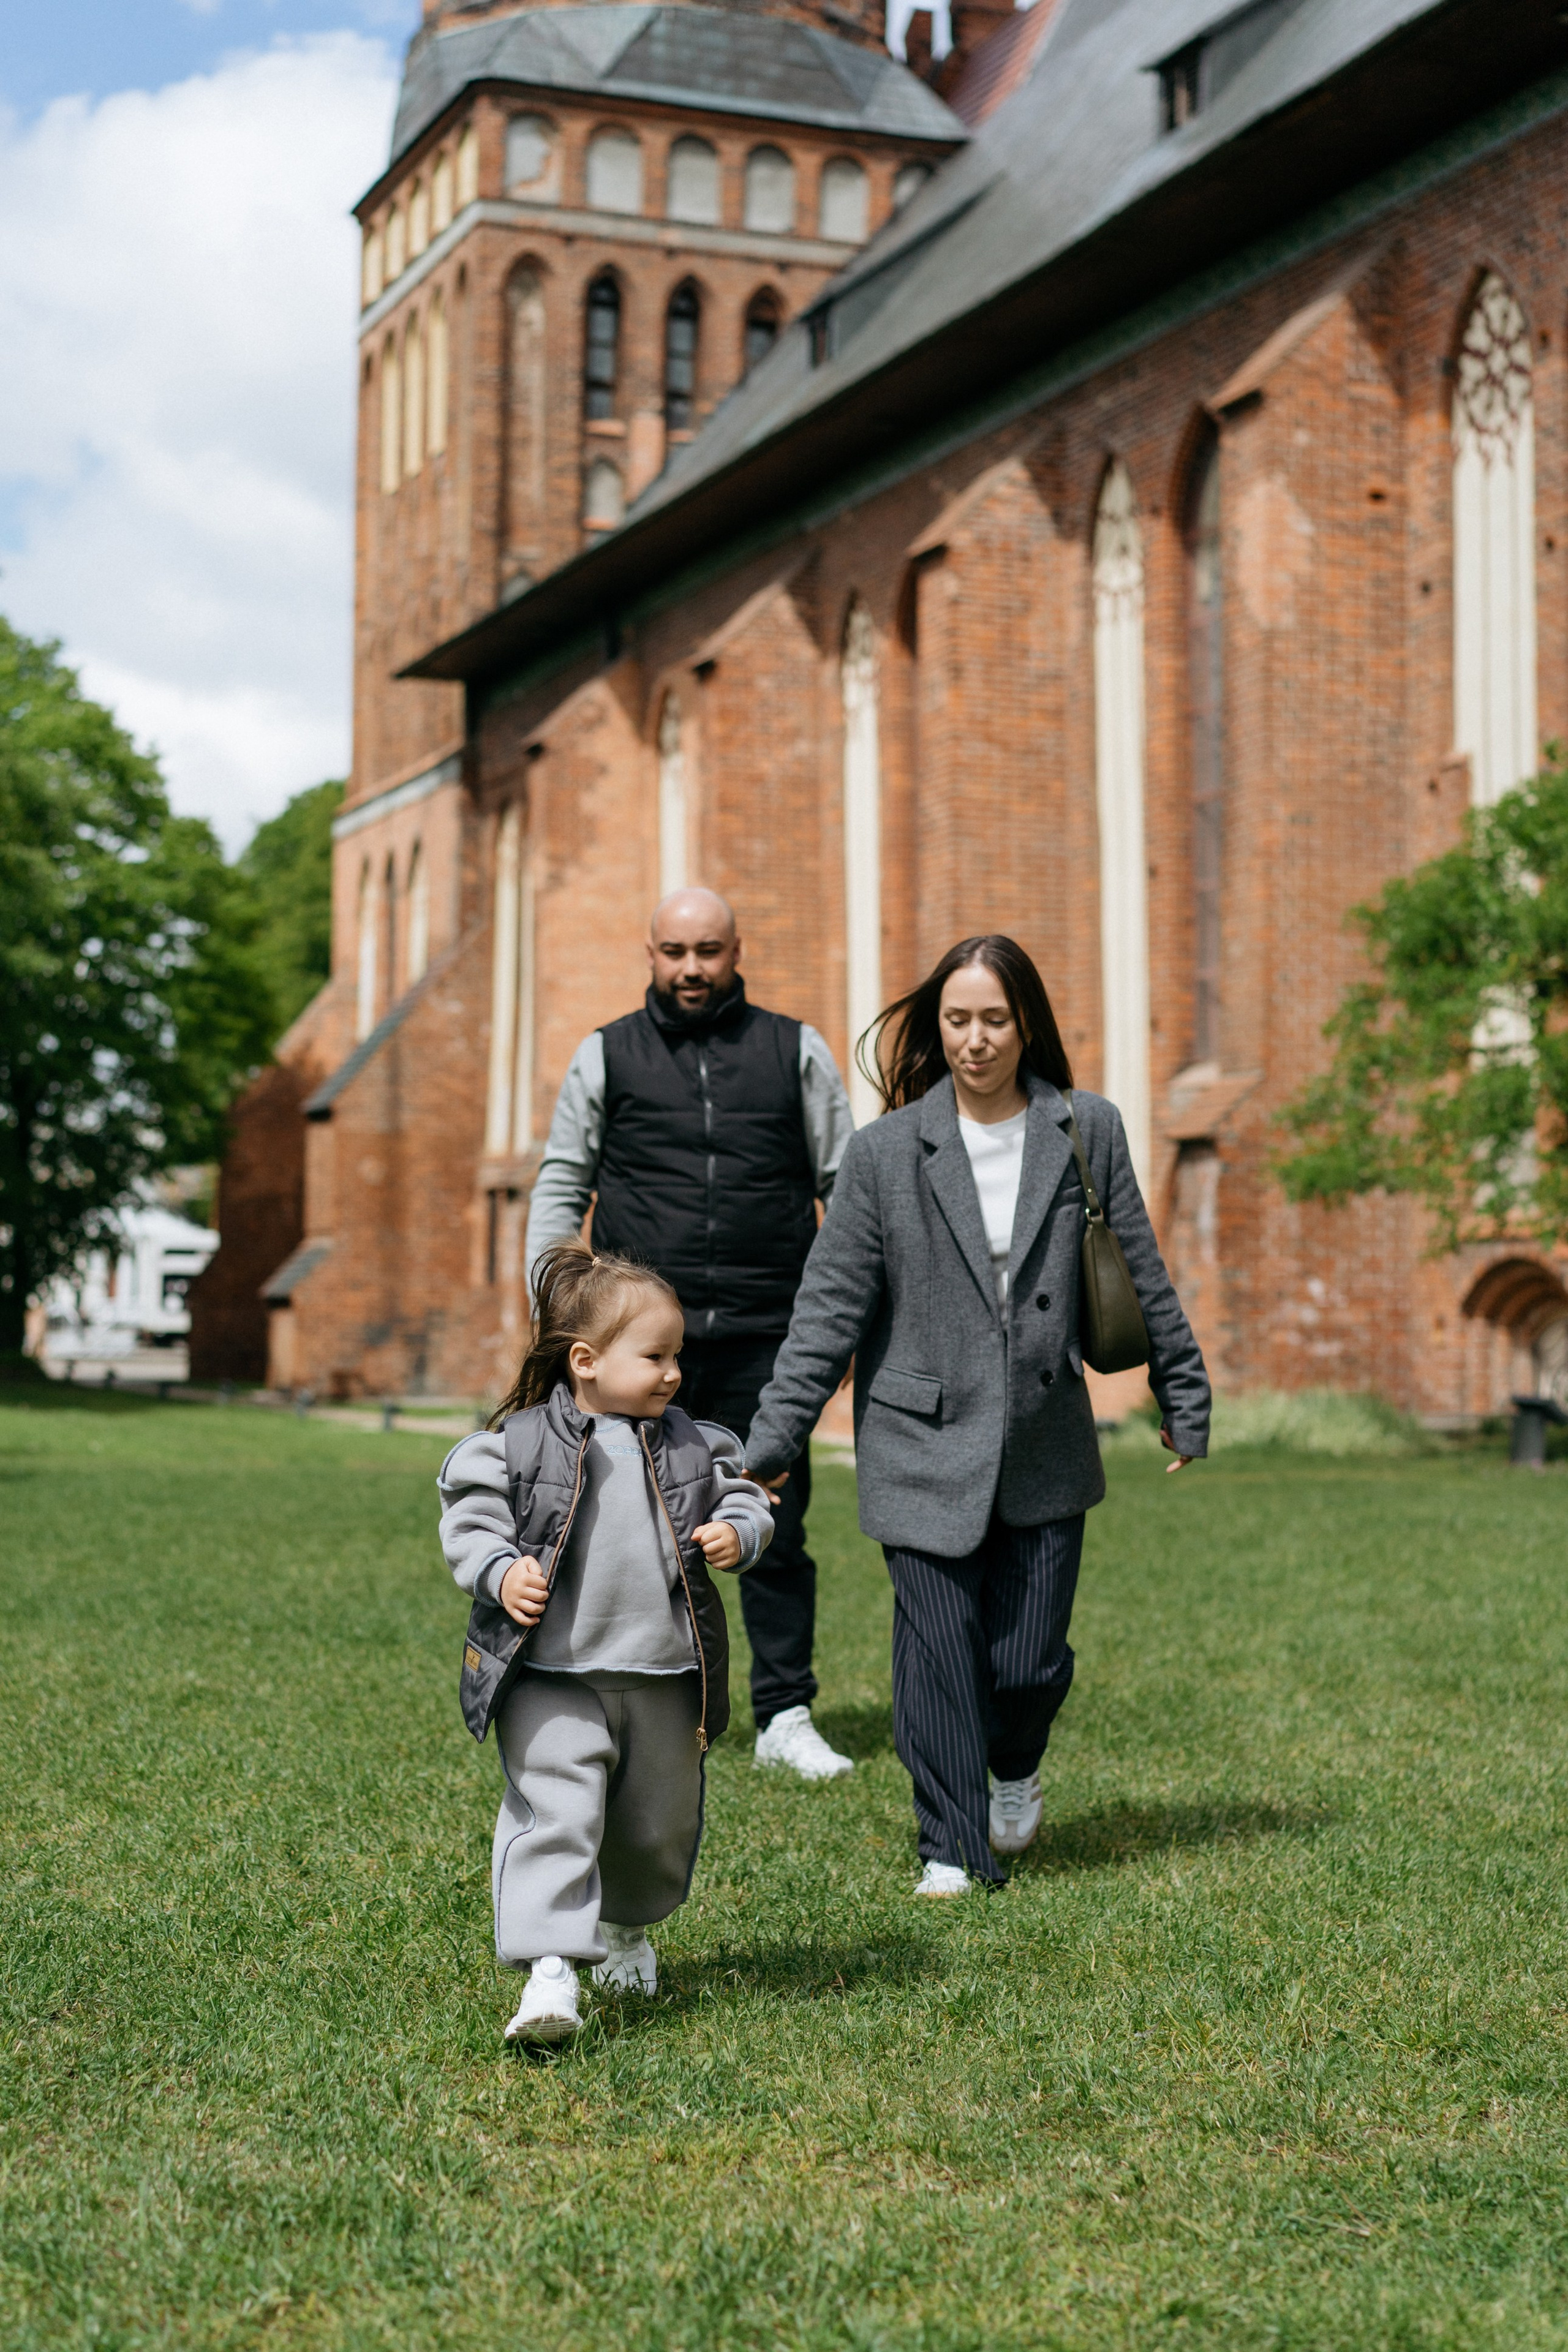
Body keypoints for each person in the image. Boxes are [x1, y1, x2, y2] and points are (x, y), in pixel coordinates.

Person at [745, 935, 1211, 1896]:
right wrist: (773, 1440)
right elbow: (827, 1312)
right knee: (936, 1655)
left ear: (1026, 1023)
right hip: (917, 1439)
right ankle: (950, 1848)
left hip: (1045, 1439)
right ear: (937, 1026)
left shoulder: (1086, 1128)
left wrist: (1183, 1391)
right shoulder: (882, 1154)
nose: (975, 1039)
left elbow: (1139, 1269)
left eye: (995, 1019)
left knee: (1027, 1664)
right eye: (957, 1020)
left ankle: (1015, 1764)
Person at [524, 887, 856, 1782]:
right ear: (651, 954)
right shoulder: (606, 1054)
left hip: (771, 1339)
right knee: (625, 1532)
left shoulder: (795, 1050)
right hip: (634, 1349)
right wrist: (556, 1313)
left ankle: (785, 1714)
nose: (692, 969)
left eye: (709, 951)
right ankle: (641, 1707)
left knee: (772, 1526)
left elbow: (847, 1189)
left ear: (737, 952)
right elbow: (562, 1184)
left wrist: (851, 1323)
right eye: (675, 952)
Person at [439, 1240, 774, 2043]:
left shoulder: (692, 1444)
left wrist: (739, 1532)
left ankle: (626, 1930)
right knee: (556, 1811)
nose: (674, 1373)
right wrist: (500, 1573)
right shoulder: (520, 1445)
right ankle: (550, 1973)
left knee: (653, 1828)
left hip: (664, 1676)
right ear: (585, 1361)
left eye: (677, 1356)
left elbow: (746, 1499)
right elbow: (470, 1519)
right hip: (551, 1676)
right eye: (655, 1356)